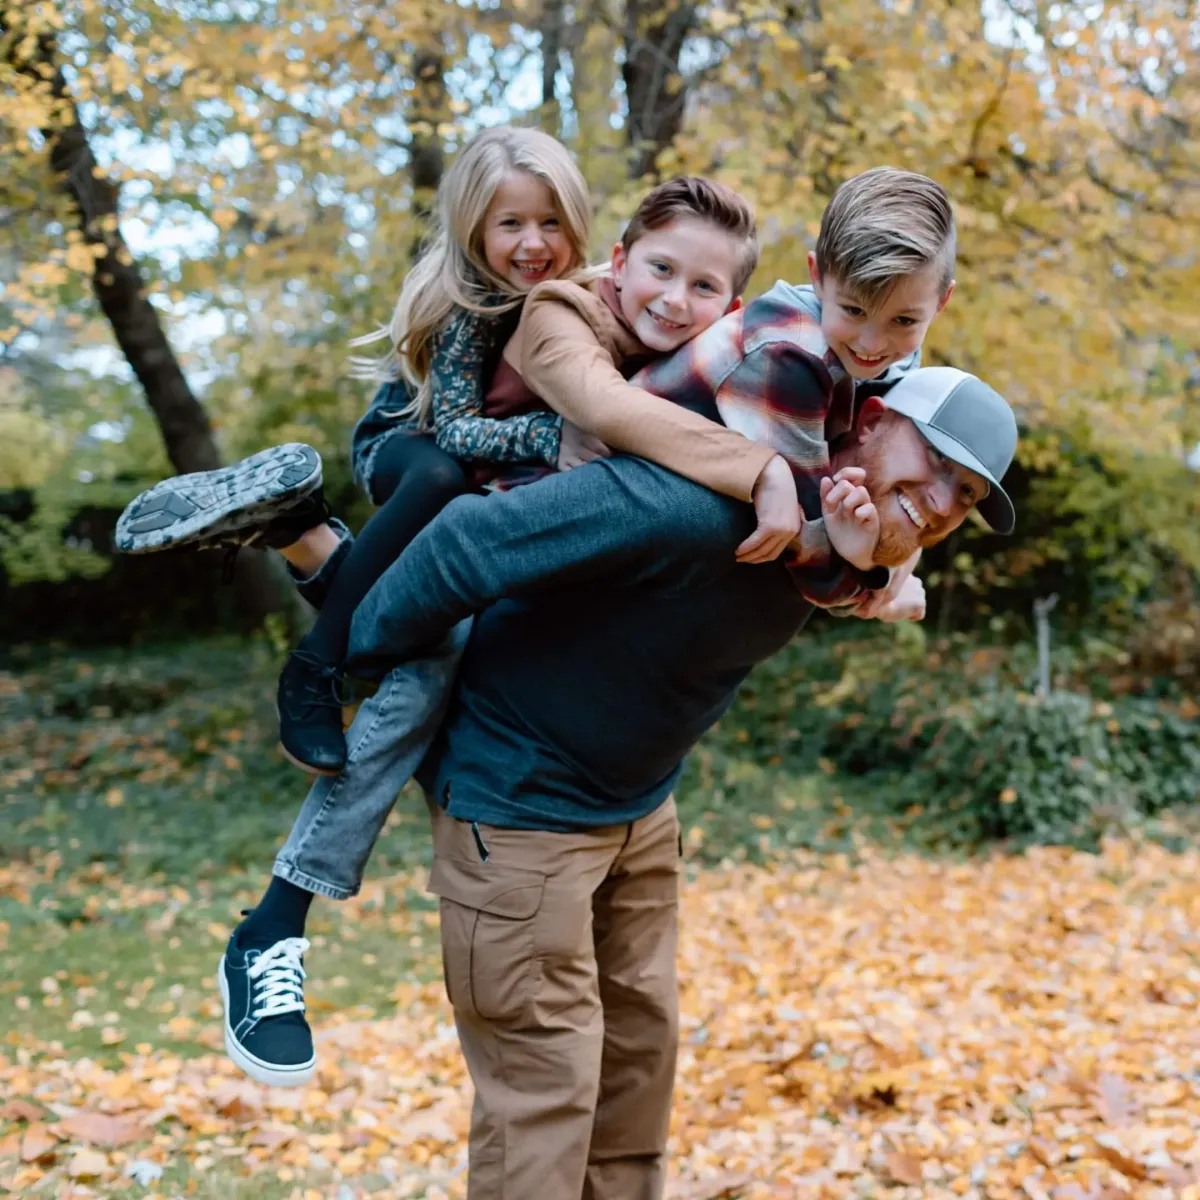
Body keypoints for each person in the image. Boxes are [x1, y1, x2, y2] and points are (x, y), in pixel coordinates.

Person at [338, 365, 1019, 1199]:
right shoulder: (699, 500)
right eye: (939, 463)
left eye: (967, 494)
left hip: (639, 811)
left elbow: (879, 561)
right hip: (519, 813)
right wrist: (342, 674)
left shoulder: (840, 542)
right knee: (544, 1103)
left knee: (636, 1074)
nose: (945, 502)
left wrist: (885, 573)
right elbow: (467, 543)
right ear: (870, 419)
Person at [114, 165, 806, 776]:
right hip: (409, 438)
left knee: (443, 627)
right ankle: (313, 667)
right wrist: (552, 434)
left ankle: (299, 529)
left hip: (489, 460)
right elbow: (459, 429)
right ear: (476, 229)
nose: (532, 243)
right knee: (441, 489)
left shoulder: (621, 303)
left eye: (550, 223)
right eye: (511, 223)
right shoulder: (478, 307)